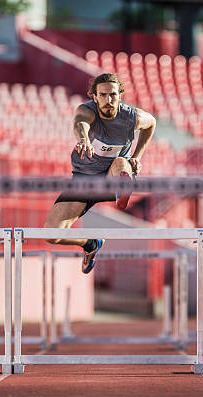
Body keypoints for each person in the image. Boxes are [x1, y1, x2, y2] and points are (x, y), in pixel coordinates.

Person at [44, 73, 156, 274]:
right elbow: (80, 123)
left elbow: (151, 124)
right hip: (84, 182)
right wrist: (83, 139)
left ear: (120, 95)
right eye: (103, 95)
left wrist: (137, 156)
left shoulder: (132, 117)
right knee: (51, 234)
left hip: (112, 175)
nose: (108, 100)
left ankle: (121, 189)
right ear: (94, 97)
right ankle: (90, 244)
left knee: (121, 162)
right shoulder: (87, 110)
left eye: (113, 95)